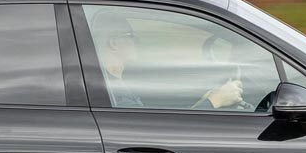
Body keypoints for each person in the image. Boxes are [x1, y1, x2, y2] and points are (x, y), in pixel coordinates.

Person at [96, 24, 245, 110]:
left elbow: (156, 125)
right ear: (114, 42)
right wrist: (215, 101)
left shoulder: (114, 84)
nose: (137, 40)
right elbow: (152, 134)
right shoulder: (111, 93)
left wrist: (204, 101)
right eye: (131, 35)